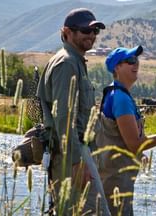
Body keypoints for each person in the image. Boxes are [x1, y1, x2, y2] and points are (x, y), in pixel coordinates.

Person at [94, 45, 156, 215]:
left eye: (137, 60)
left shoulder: (115, 94)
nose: (136, 64)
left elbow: (121, 139)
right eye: (130, 61)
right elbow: (134, 144)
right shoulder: (121, 98)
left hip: (112, 176)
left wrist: (139, 155)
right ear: (117, 67)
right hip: (116, 181)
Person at [36, 8, 110, 215]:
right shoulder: (67, 63)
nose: (92, 36)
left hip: (74, 153)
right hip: (72, 155)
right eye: (86, 30)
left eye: (95, 31)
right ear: (67, 32)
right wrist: (76, 162)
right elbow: (64, 118)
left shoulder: (74, 61)